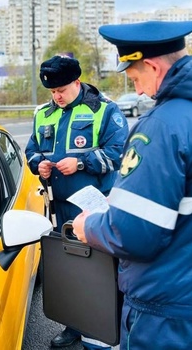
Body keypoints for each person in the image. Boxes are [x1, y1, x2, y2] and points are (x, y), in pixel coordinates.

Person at [72, 20, 192, 349]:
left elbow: (133, 234)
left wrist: (88, 227)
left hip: (164, 310)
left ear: (152, 66)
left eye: (136, 79)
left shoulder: (163, 126)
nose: (140, 91)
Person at [25, 55, 128, 349]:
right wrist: (39, 165)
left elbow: (118, 153)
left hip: (96, 207)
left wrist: (81, 163)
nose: (57, 97)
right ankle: (75, 325)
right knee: (70, 269)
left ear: (77, 83)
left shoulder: (105, 111)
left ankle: (107, 327)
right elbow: (31, 151)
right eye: (52, 92)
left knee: (102, 271)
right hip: (60, 209)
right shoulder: (43, 114)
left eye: (62, 90)